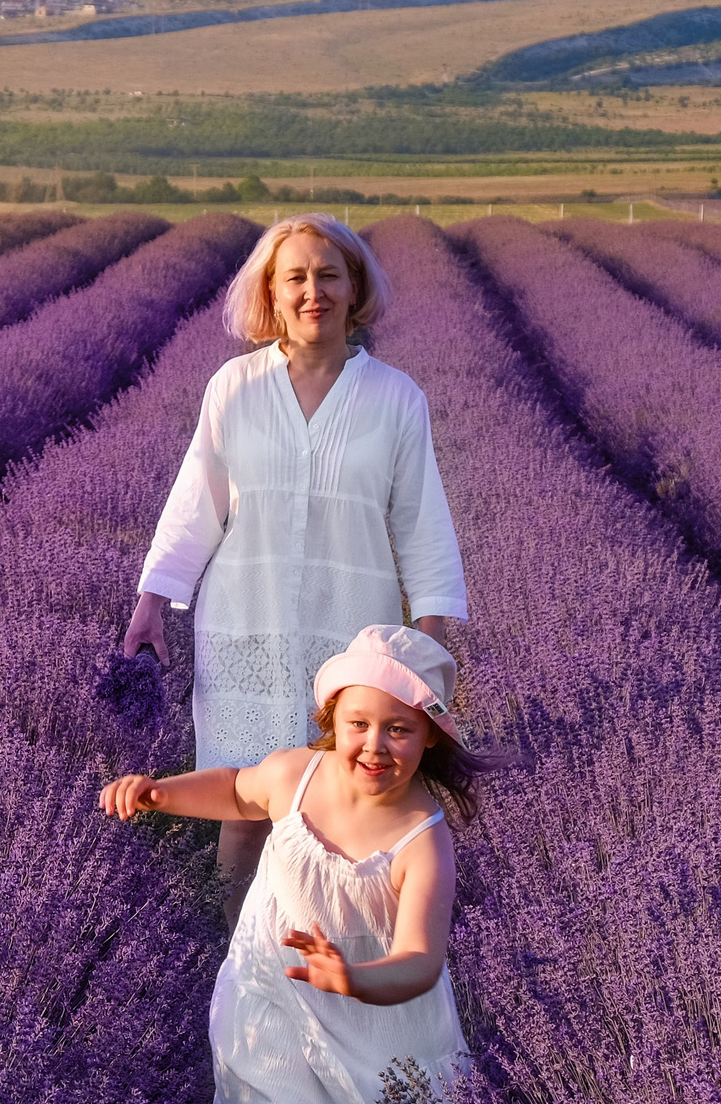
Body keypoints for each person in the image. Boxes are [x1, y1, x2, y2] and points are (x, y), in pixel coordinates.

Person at [99, 625, 477, 1104]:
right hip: (278, 987)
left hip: (384, 1018)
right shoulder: (297, 774)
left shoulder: (423, 838)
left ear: (430, 738)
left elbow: (421, 960)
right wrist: (158, 793)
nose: (375, 745)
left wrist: (354, 979)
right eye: (359, 723)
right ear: (332, 719)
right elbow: (236, 791)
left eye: (399, 729)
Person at [123, 214, 467, 918]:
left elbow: (422, 523)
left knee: (339, 812)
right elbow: (197, 504)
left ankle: (332, 960)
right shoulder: (234, 387)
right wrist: (152, 602)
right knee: (246, 805)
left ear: (354, 288)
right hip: (247, 623)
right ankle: (231, 959)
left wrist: (426, 643)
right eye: (296, 278)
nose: (314, 292)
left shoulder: (396, 398)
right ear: (272, 294)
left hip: (349, 632)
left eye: (329, 275)